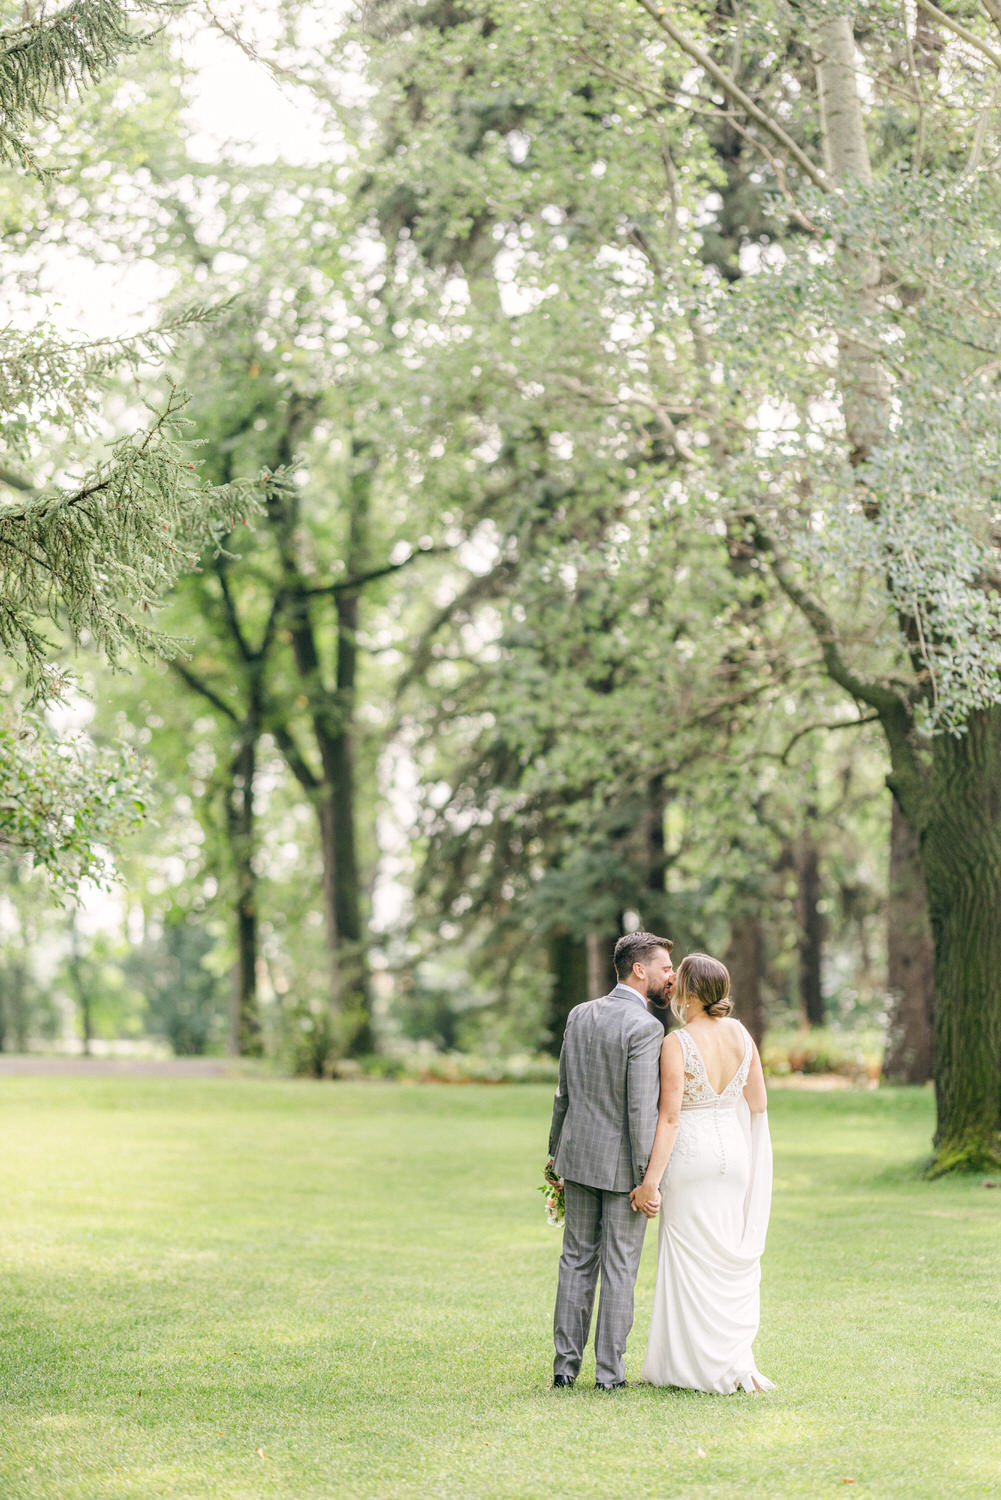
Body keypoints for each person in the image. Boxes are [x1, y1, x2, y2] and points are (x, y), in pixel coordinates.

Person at [637, 952, 774, 1394]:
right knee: (723, 1255)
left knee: (688, 1258)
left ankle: (692, 1366)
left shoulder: (675, 1043)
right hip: (734, 1157)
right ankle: (733, 1360)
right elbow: (758, 1106)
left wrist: (650, 1182)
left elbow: (671, 1118)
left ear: (691, 994)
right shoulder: (740, 1035)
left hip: (691, 1157)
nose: (672, 986)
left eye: (678, 981)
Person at [547, 931, 675, 1390]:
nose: (671, 977)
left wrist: (553, 1158)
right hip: (624, 1172)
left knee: (576, 1260)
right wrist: (648, 1181)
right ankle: (608, 1375)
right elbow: (641, 1111)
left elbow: (563, 1093)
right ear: (639, 970)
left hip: (577, 1159)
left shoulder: (580, 1014)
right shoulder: (646, 1028)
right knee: (620, 1266)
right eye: (664, 968)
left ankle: (564, 1369)